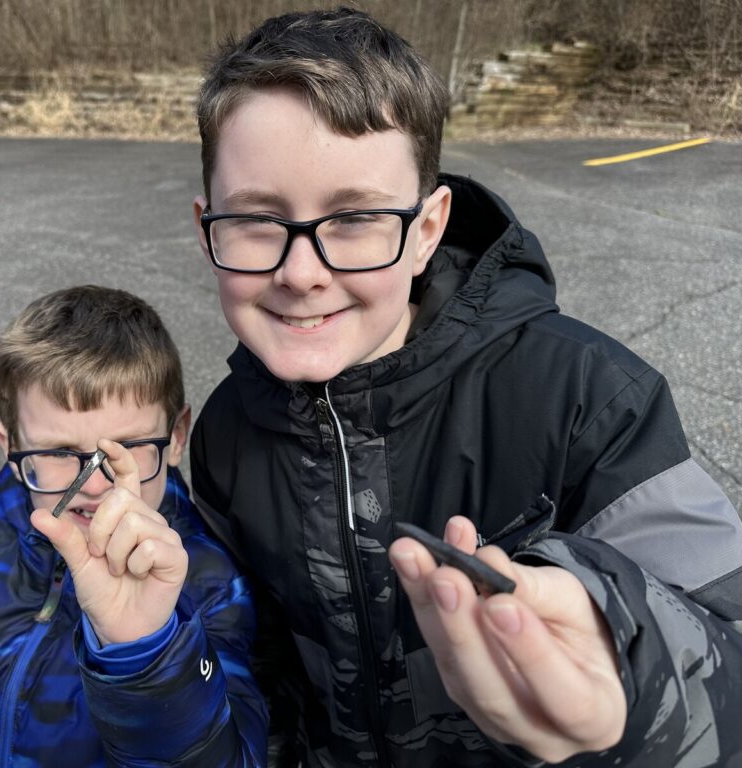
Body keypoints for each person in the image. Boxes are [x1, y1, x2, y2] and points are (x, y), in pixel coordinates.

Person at [187, 8, 742, 767]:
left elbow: (727, 648)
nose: (302, 272)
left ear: (426, 231)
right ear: (207, 228)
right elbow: (261, 671)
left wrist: (629, 666)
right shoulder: (225, 432)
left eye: (355, 219)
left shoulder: (588, 400)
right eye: (256, 220)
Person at [0, 285, 267, 767]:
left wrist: (146, 650)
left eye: (127, 447)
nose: (96, 484)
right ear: (10, 446)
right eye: (58, 452)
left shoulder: (210, 586)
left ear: (176, 437)